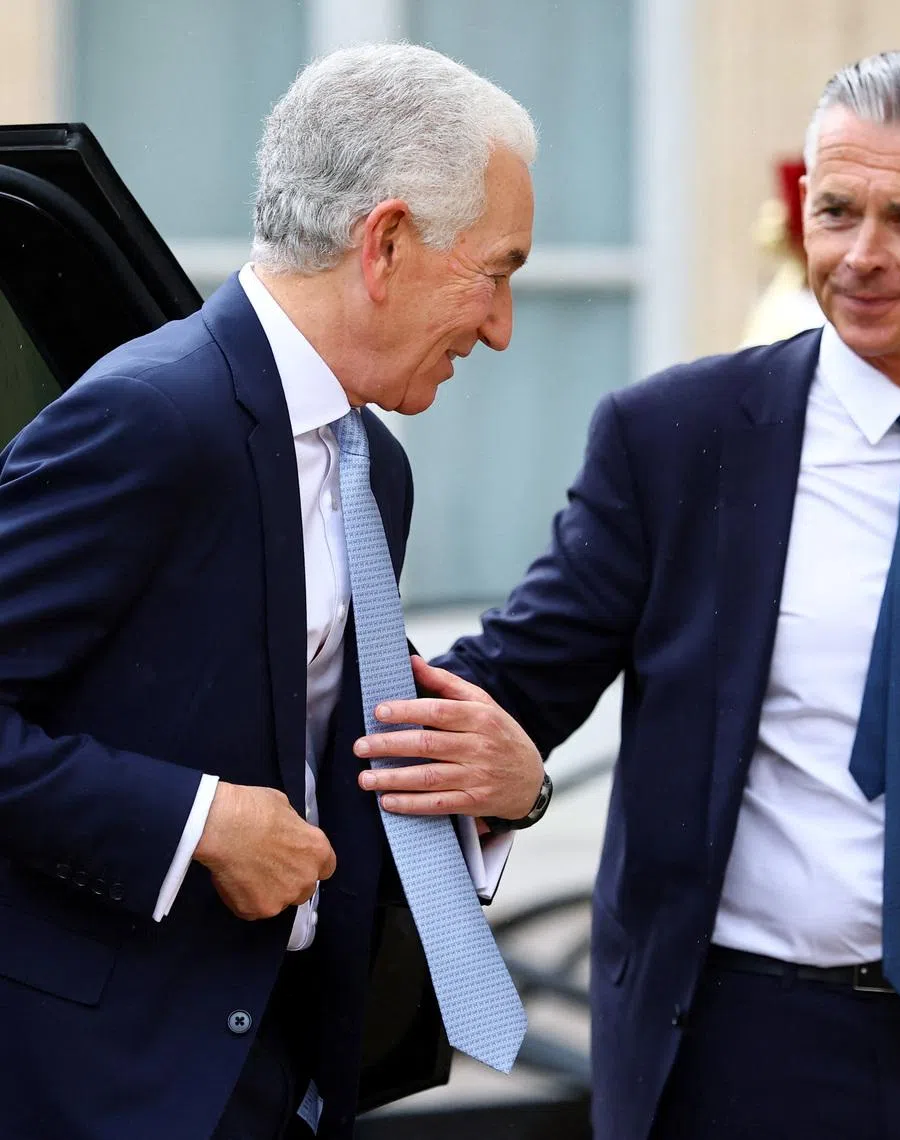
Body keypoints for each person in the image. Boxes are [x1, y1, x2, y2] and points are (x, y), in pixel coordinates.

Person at [358, 50, 900, 1140]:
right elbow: (520, 676)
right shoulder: (678, 440)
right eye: (833, 211)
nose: (860, 256)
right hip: (732, 1045)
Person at [0, 42, 549, 1140]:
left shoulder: (372, 465)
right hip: (105, 1086)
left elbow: (323, 772)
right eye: (495, 271)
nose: (500, 326)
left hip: (285, 1081)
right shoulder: (152, 418)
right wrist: (197, 823)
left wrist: (505, 793)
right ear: (385, 243)